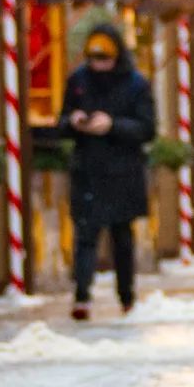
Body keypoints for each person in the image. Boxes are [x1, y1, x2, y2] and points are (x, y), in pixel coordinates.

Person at [58, 22, 155, 321]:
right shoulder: (78, 81)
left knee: (122, 237)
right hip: (87, 169)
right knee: (85, 234)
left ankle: (126, 296)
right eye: (93, 59)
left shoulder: (136, 84)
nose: (99, 65)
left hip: (123, 172)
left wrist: (112, 125)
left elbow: (148, 128)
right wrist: (73, 121)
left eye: (105, 59)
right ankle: (82, 295)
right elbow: (59, 122)